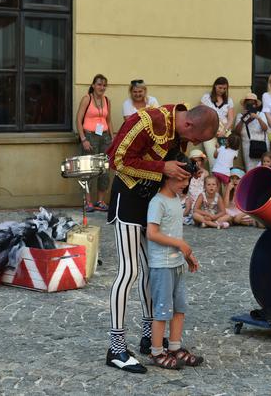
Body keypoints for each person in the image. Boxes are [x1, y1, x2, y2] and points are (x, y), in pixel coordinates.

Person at [105, 103, 218, 373]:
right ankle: (116, 347)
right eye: (195, 139)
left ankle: (149, 338)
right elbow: (116, 160)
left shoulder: (179, 130)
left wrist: (184, 170)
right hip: (128, 201)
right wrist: (163, 168)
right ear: (188, 124)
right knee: (129, 271)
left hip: (149, 204)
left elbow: (170, 165)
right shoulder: (146, 121)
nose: (192, 144)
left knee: (150, 272)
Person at [145, 171, 202, 369]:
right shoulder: (157, 202)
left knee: (179, 308)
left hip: (177, 264)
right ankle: (156, 352)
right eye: (181, 179)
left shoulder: (176, 199)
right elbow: (151, 233)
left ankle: (175, 347)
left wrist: (187, 255)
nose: (185, 184)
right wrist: (179, 244)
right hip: (162, 265)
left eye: (187, 180)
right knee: (162, 311)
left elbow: (176, 232)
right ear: (168, 176)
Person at [76, 74, 114, 212]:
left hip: (104, 137)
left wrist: (112, 138)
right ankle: (88, 202)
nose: (101, 87)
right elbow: (78, 120)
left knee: (104, 169)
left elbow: (109, 121)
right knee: (88, 169)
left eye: (104, 85)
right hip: (89, 136)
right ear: (93, 85)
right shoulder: (87, 98)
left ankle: (100, 201)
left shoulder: (107, 100)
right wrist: (83, 139)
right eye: (99, 84)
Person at [201, 77, 235, 166]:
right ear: (215, 86)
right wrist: (213, 131)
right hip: (209, 132)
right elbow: (202, 115)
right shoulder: (206, 98)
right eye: (220, 87)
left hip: (224, 132)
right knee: (213, 159)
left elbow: (231, 118)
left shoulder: (229, 100)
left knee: (225, 160)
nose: (222, 90)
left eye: (224, 88)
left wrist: (224, 131)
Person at [234, 93, 268, 171]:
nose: (251, 105)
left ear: (256, 105)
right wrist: (244, 118)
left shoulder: (261, 114)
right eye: (248, 103)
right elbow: (237, 132)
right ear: (245, 105)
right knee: (250, 170)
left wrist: (258, 118)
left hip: (261, 145)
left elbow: (265, 128)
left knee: (263, 169)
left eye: (253, 103)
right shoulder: (240, 115)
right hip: (248, 147)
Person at [183, 149, 208, 226]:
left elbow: (206, 187)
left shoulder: (205, 173)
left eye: (199, 161)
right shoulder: (189, 172)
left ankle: (203, 220)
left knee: (201, 209)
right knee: (188, 207)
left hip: (200, 195)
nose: (197, 163)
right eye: (195, 161)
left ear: (202, 161)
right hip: (190, 195)